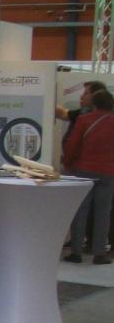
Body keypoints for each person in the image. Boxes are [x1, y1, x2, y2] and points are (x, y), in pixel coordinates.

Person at [62, 89, 114, 265]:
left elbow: (73, 144)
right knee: (103, 213)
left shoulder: (84, 120)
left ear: (94, 103)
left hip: (84, 170)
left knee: (81, 210)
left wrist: (68, 162)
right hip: (108, 172)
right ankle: (99, 253)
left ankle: (76, 252)